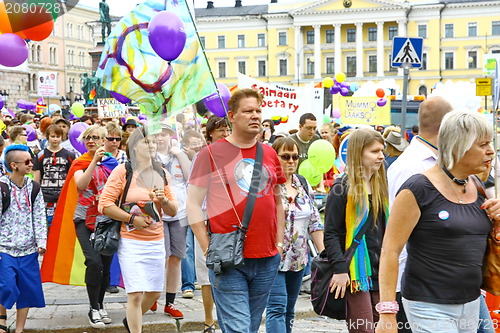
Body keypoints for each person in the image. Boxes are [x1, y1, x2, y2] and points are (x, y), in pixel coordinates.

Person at [376, 110, 500, 333]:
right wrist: (387, 312)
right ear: (457, 146)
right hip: (428, 304)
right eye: (482, 144)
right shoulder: (418, 188)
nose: (490, 150)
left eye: (490, 143)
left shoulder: (477, 185)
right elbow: (390, 250)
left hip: (471, 302)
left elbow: (479, 240)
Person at [187, 88, 286, 333]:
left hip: (266, 257)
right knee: (239, 329)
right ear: (231, 116)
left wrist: (280, 243)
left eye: (258, 111)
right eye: (248, 111)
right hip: (228, 258)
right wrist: (206, 245)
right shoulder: (211, 153)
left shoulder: (270, 152)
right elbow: (192, 204)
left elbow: (278, 201)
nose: (255, 116)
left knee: (249, 327)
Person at [99, 128, 178, 333]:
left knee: (153, 293)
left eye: (153, 142)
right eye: (146, 142)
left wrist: (164, 200)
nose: (152, 145)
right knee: (134, 294)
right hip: (131, 241)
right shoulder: (123, 171)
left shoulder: (161, 172)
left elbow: (173, 210)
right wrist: (131, 218)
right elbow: (104, 204)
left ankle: (131, 321)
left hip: (156, 241)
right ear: (135, 147)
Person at [386, 96, 453, 332]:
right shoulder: (410, 166)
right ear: (446, 127)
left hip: (437, 278)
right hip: (412, 281)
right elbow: (396, 235)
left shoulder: (436, 160)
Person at [324, 128, 389, 333]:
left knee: (385, 327)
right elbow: (331, 233)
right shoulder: (342, 187)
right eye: (374, 151)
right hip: (356, 272)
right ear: (358, 153)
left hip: (382, 270)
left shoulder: (381, 185)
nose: (381, 156)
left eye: (382, 150)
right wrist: (340, 270)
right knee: (364, 329)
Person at [265, 137, 325, 333]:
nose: (291, 161)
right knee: (277, 308)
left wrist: (324, 254)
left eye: (295, 157)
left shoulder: (303, 183)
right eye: (285, 156)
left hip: (298, 258)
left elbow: (315, 222)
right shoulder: (267, 184)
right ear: (275, 157)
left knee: (290, 310)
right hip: (273, 256)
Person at [68, 125, 118, 328]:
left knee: (105, 265)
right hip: (83, 220)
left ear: (104, 140)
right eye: (88, 138)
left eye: (96, 137)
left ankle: (101, 305)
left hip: (106, 220)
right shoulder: (79, 163)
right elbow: (81, 184)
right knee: (94, 262)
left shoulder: (112, 163)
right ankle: (92, 308)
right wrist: (94, 162)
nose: (91, 140)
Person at [0, 145, 46, 333]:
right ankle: (2, 321)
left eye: (31, 160)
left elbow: (39, 216)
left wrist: (42, 241)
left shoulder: (33, 187)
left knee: (26, 291)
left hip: (29, 250)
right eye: (27, 162)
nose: (31, 164)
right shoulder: (2, 187)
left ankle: (19, 329)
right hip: (4, 248)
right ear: (14, 165)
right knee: (6, 285)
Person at [154, 124, 192, 318]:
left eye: (164, 135)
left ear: (171, 137)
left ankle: (170, 302)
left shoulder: (178, 155)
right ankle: (152, 294)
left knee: (176, 257)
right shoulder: (151, 156)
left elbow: (190, 177)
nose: (161, 139)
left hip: (179, 212)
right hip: (157, 212)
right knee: (161, 257)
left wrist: (180, 154)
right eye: (158, 135)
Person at [33, 125, 76, 228]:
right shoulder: (40, 155)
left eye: (58, 136)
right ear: (48, 137)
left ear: (62, 137)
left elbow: (72, 177)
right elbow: (37, 178)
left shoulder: (69, 155)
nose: (55, 139)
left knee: (62, 226)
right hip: (45, 196)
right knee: (46, 225)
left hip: (63, 196)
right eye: (53, 136)